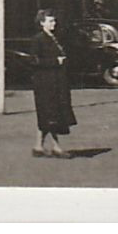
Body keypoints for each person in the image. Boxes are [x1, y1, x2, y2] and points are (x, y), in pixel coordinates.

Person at [30, 9, 76, 158]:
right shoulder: (38, 39)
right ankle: (57, 147)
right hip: (45, 84)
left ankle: (38, 146)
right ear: (42, 23)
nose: (54, 23)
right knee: (51, 115)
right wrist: (55, 61)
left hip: (57, 82)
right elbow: (34, 60)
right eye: (50, 21)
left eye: (54, 20)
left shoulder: (55, 38)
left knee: (48, 115)